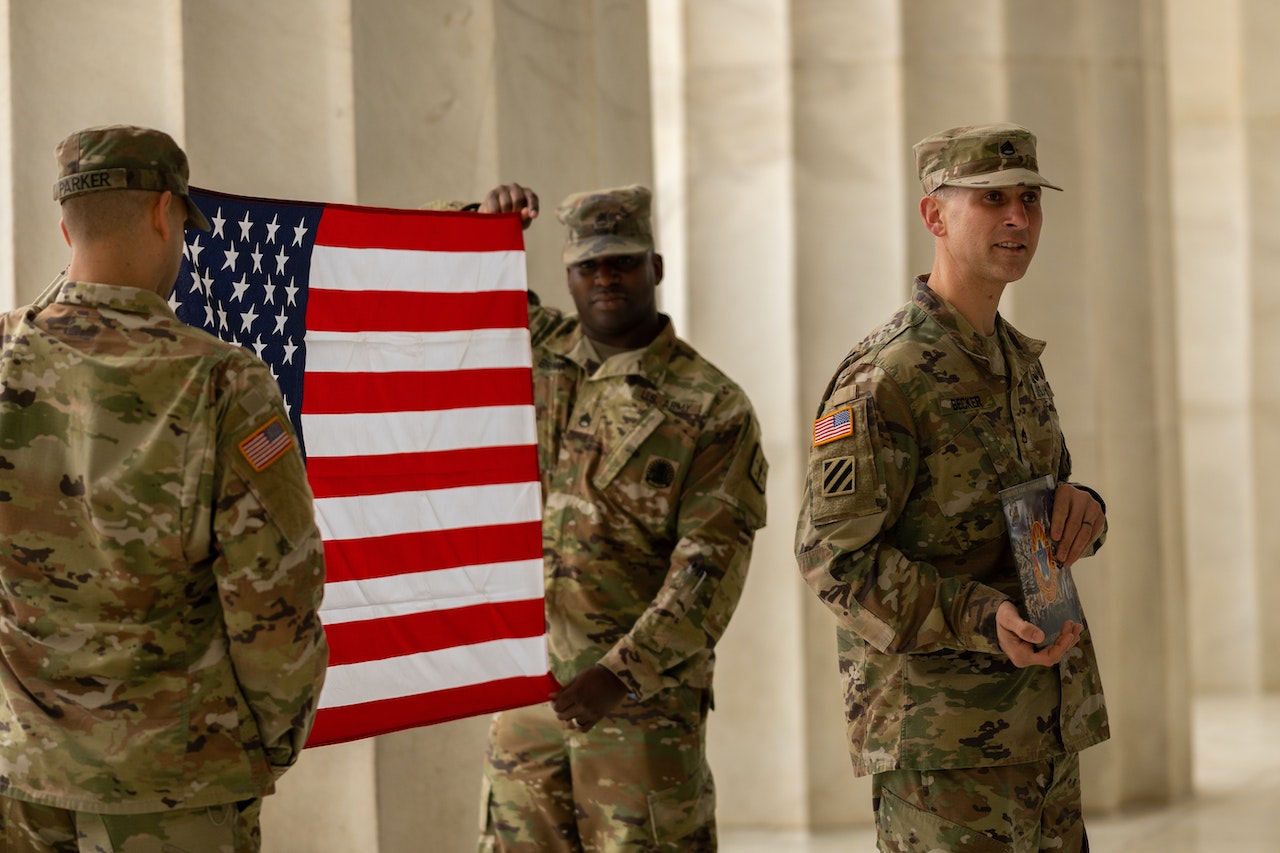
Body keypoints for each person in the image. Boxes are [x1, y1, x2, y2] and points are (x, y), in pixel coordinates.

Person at [0, 125, 329, 852]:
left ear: (65, 229)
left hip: (21, 776)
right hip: (176, 786)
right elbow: (274, 601)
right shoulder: (222, 382)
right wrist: (265, 745)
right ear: (161, 214)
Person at [794, 123, 1110, 852]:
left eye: (1030, 198)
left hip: (1044, 738)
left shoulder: (1015, 361)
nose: (1019, 219)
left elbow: (1042, 503)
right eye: (992, 198)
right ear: (934, 216)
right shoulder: (886, 376)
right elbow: (833, 560)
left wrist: (1085, 508)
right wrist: (978, 614)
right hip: (947, 755)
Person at [473, 184, 768, 852]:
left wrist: (620, 673)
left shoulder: (712, 405)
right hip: (527, 706)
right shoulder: (540, 354)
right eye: (589, 266)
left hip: (640, 712)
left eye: (623, 262)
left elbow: (709, 571)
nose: (606, 277)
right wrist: (483, 226)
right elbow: (438, 281)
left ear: (656, 268)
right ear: (569, 277)